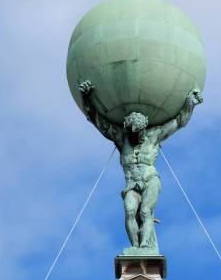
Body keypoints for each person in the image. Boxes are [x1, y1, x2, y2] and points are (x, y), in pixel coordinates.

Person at [79, 81, 203, 252]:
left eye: (139, 132)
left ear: (144, 128)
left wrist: (190, 103)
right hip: (131, 183)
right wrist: (86, 98)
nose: (136, 136)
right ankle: (136, 247)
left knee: (145, 212)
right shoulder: (122, 139)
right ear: (127, 130)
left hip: (150, 179)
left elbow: (179, 122)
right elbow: (97, 120)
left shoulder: (154, 137)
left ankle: (145, 246)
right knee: (130, 211)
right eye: (132, 133)